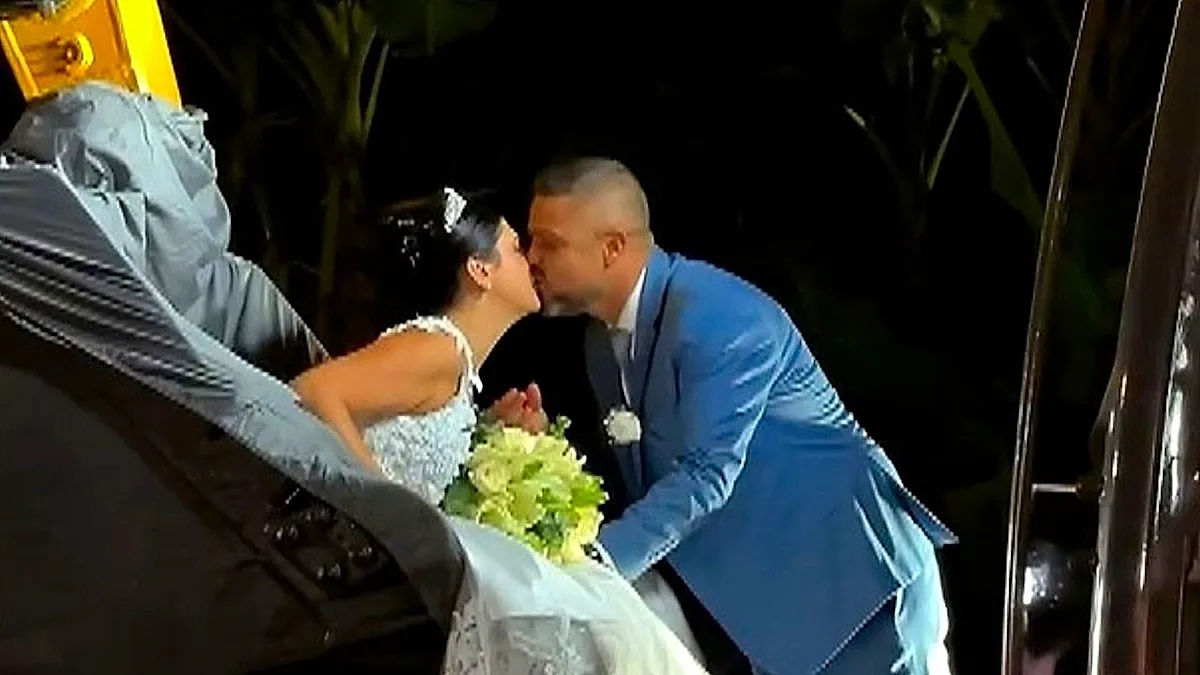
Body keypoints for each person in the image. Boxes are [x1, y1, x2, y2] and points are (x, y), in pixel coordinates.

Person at [523, 157, 958, 675]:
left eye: (548, 243)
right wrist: (542, 451)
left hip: (857, 594)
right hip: (776, 616)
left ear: (613, 247)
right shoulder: (601, 344)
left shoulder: (718, 315)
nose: (532, 259)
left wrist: (593, 567)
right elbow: (651, 492)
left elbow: (706, 477)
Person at [290, 187, 710, 675]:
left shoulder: (455, 361)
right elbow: (317, 389)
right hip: (384, 563)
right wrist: (387, 509)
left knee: (625, 605)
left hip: (428, 558)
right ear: (480, 270)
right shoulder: (437, 348)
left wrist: (492, 430)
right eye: (516, 246)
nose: (532, 258)